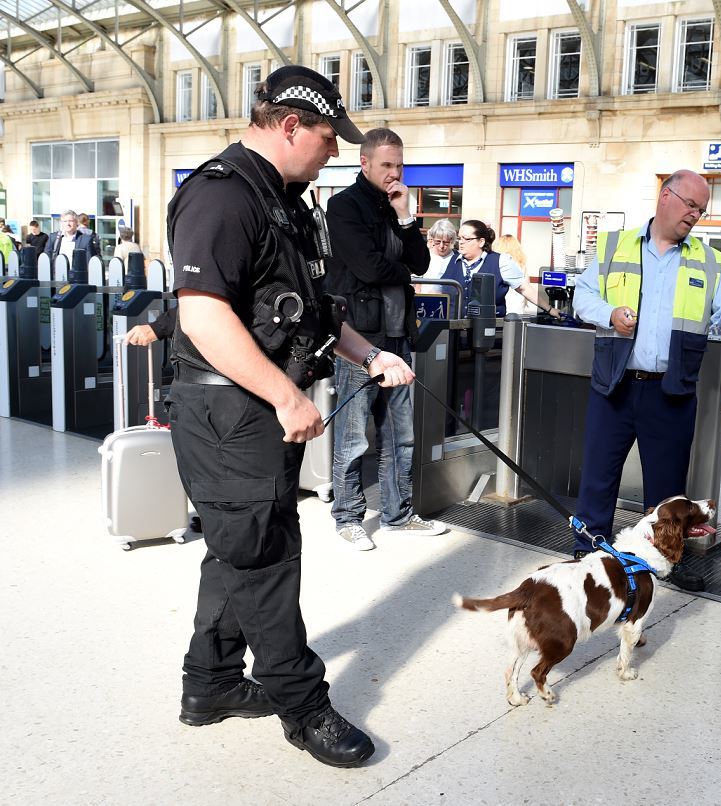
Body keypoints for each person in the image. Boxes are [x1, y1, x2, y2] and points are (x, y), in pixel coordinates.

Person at [166, 65, 414, 768]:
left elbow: (313, 312)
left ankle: (209, 685)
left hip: (251, 412)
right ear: (289, 126)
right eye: (329, 138)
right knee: (266, 555)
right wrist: (285, 393)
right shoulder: (222, 196)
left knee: (237, 549)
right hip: (229, 411)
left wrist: (370, 356)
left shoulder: (284, 202)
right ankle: (303, 708)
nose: (334, 153)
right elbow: (204, 317)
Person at [570, 169, 721, 592]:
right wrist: (609, 315)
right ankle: (586, 551)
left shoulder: (708, 260)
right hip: (614, 382)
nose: (696, 215)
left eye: (701, 210)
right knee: (599, 473)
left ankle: (666, 560)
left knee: (668, 488)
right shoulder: (615, 245)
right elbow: (583, 296)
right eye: (691, 205)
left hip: (670, 391)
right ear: (665, 196)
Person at [323, 127, 443, 551]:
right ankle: (348, 516)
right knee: (354, 436)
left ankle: (397, 514)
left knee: (400, 435)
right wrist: (404, 270)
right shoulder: (342, 207)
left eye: (399, 165)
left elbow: (423, 262)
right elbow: (370, 268)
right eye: (386, 165)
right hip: (359, 338)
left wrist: (407, 217)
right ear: (365, 163)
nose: (394, 173)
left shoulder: (397, 208)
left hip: (399, 336)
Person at [440, 219, 560, 318]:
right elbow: (437, 291)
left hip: (488, 333)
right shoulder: (451, 260)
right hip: (453, 332)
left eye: (466, 239)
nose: (461, 242)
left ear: (481, 242)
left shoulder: (501, 261)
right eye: (459, 238)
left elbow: (524, 288)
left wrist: (549, 309)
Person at [496, 234, 537, 316]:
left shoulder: (498, 263)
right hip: (517, 306)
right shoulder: (521, 265)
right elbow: (526, 287)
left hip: (502, 306)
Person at [416, 219, 457, 296]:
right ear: (432, 239)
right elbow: (416, 283)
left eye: (445, 242)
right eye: (438, 242)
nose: (441, 246)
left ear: (452, 240)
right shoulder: (425, 256)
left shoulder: (457, 258)